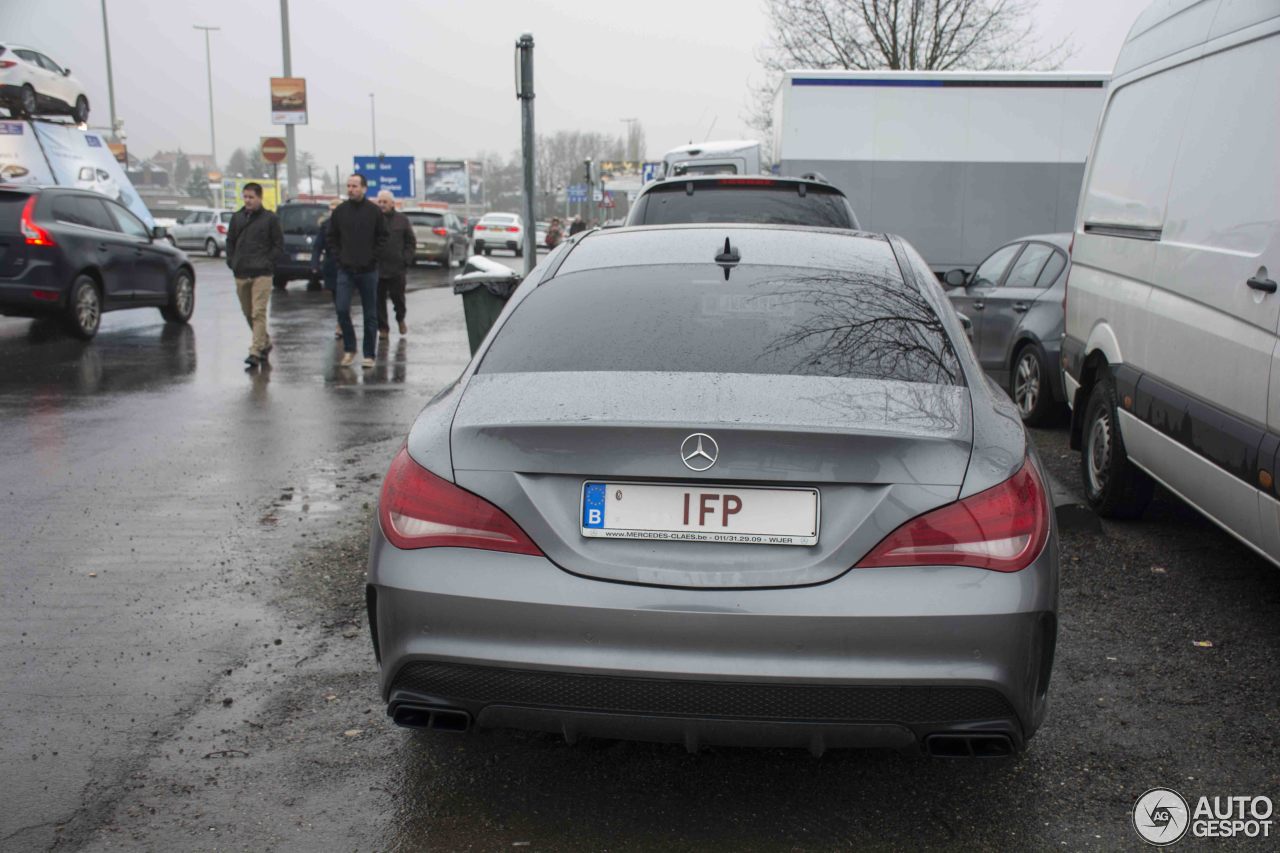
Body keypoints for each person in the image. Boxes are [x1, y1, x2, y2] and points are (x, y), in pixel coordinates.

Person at [328, 174, 388, 368]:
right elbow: (332, 237)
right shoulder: (340, 212)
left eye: (354, 186)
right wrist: (339, 257)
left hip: (368, 270)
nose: (351, 189)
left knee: (370, 314)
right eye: (348, 186)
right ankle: (349, 348)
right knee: (342, 309)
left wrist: (373, 257)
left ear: (364, 188)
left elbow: (383, 237)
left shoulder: (373, 212)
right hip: (345, 269)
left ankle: (369, 354)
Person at [225, 183, 283, 369]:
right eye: (246, 197)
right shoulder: (237, 218)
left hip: (262, 274)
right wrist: (232, 261)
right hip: (241, 272)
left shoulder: (270, 219)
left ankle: (255, 350)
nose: (248, 201)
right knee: (248, 312)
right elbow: (230, 241)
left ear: (259, 197)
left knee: (258, 312)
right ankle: (264, 341)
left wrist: (268, 262)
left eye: (251, 197)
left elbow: (278, 245)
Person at [373, 190, 415, 338]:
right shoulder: (374, 219)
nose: (382, 205)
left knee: (398, 298)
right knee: (378, 300)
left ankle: (400, 318)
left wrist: (406, 259)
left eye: (385, 202)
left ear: (392, 203)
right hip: (378, 267)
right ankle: (383, 329)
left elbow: (410, 241)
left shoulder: (402, 220)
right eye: (380, 202)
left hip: (397, 267)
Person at [311, 199, 341, 338]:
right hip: (331, 266)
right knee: (336, 296)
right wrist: (315, 264)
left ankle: (341, 323)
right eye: (331, 210)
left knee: (344, 296)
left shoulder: (349, 225)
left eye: (336, 210)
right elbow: (318, 247)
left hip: (347, 266)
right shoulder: (325, 226)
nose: (333, 212)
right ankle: (341, 320)